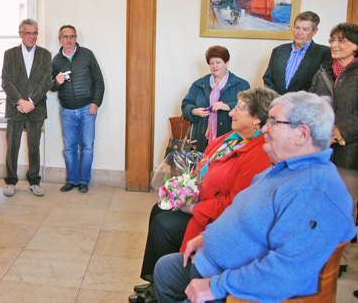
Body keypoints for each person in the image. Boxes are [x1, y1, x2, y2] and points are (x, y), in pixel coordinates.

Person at [153, 91, 356, 303]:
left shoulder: (314, 192)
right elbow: (239, 209)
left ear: (302, 134)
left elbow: (285, 273)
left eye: (275, 122)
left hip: (232, 287)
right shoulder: (284, 169)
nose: (265, 128)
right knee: (165, 270)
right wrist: (207, 235)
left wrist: (217, 286)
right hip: (212, 263)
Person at [130, 87, 277, 303]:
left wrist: (194, 207)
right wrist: (182, 189)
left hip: (214, 217)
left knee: (164, 225)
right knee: (158, 209)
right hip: (202, 200)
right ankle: (156, 281)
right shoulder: (233, 138)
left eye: (238, 109)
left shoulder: (259, 153)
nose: (231, 113)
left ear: (256, 118)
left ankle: (167, 284)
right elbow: (204, 165)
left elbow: (236, 203)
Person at [308, 22, 358, 276]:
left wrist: (339, 130)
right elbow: (313, 102)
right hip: (322, 146)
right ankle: (321, 253)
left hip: (351, 150)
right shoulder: (324, 70)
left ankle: (342, 258)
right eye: (332, 40)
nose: (335, 45)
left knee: (345, 205)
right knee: (320, 202)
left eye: (342, 41)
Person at [51, 25, 105, 194]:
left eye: (72, 36)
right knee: (69, 148)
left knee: (87, 147)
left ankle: (83, 181)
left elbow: (99, 81)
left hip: (87, 109)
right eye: (65, 36)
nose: (69, 39)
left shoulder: (87, 55)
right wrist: (56, 82)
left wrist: (96, 102)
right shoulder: (55, 61)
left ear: (76, 38)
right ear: (60, 39)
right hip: (66, 111)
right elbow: (51, 87)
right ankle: (72, 180)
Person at [1, 19, 52, 197]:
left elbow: (46, 81)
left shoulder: (45, 54)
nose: (32, 36)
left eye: (35, 33)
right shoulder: (10, 54)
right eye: (28, 33)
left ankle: (34, 181)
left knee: (34, 145)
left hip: (36, 108)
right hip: (15, 108)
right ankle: (10, 181)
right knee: (12, 146)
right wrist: (19, 102)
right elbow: (6, 81)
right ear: (20, 34)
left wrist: (31, 101)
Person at [181, 46, 250, 153]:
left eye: (218, 62)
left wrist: (227, 106)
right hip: (201, 141)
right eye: (211, 63)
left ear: (226, 63)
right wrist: (195, 111)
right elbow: (186, 106)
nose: (214, 66)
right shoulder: (199, 84)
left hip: (229, 140)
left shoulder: (241, 85)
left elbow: (248, 108)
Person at [263, 11, 331, 95]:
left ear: (314, 31)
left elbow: (321, 86)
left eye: (305, 30)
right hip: (277, 104)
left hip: (304, 106)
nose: (299, 33)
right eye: (297, 28)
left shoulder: (324, 53)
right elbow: (268, 79)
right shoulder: (278, 51)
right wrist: (277, 99)